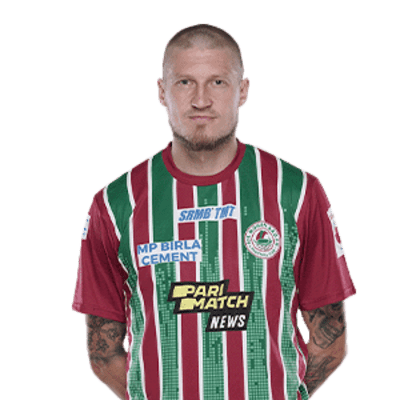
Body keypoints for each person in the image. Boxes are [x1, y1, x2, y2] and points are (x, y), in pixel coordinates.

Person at [71, 23, 357, 400]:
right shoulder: (115, 203)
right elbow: (102, 351)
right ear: (161, 91)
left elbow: (331, 341)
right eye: (185, 82)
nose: (201, 100)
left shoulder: (298, 192)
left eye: (218, 83)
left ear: (243, 91)